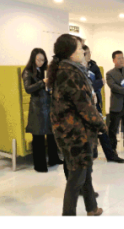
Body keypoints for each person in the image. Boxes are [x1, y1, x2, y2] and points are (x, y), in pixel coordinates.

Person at [48, 34, 106, 216]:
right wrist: (102, 125)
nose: (83, 51)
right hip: (75, 133)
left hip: (71, 131)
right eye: (80, 48)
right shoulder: (71, 73)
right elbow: (84, 106)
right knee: (77, 177)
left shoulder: (67, 69)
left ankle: (92, 208)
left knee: (84, 171)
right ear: (71, 53)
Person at [22, 48, 64, 172]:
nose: (41, 62)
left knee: (52, 134)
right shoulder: (27, 71)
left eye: (43, 59)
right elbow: (28, 89)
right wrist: (42, 82)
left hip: (48, 104)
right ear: (33, 59)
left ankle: (54, 158)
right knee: (38, 137)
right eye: (38, 59)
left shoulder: (46, 70)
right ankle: (39, 165)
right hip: (37, 107)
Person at [84, 45, 124, 164]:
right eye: (87, 53)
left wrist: (93, 86)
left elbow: (101, 82)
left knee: (102, 128)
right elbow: (84, 87)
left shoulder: (94, 66)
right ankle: (92, 153)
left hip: (95, 102)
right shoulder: (78, 69)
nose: (89, 55)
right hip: (84, 104)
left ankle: (110, 155)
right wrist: (94, 85)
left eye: (89, 52)